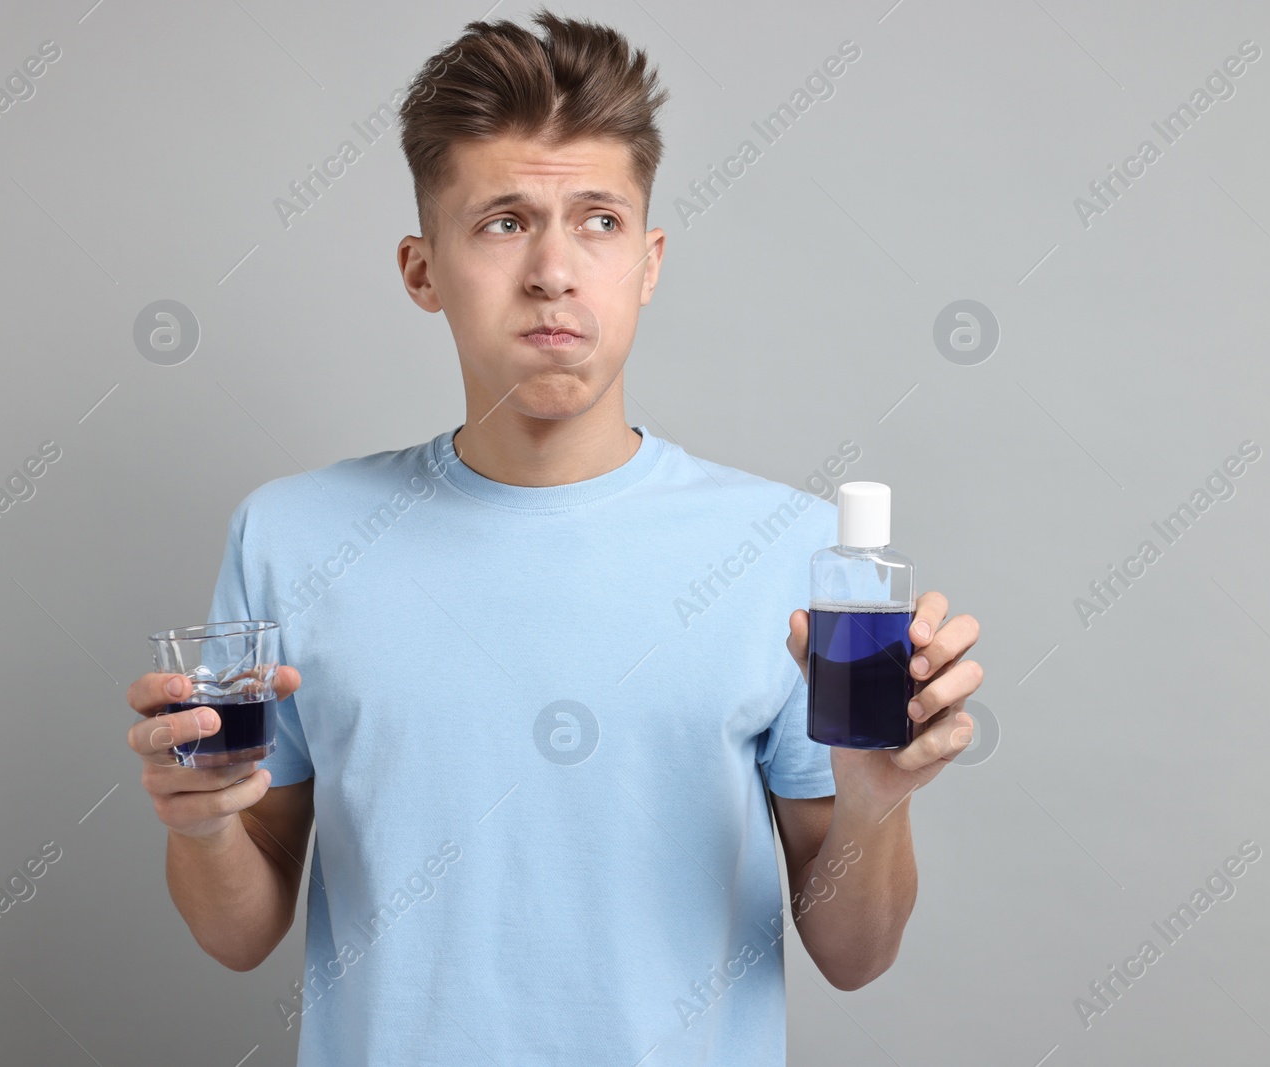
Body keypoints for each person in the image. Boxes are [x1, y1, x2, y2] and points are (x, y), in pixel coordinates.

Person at [124, 10, 983, 1064]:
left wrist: (872, 805)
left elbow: (854, 952)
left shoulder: (797, 558)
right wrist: (201, 824)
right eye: (501, 221)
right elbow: (238, 932)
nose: (553, 270)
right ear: (420, 268)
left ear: (650, 260)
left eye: (598, 220)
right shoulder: (294, 536)